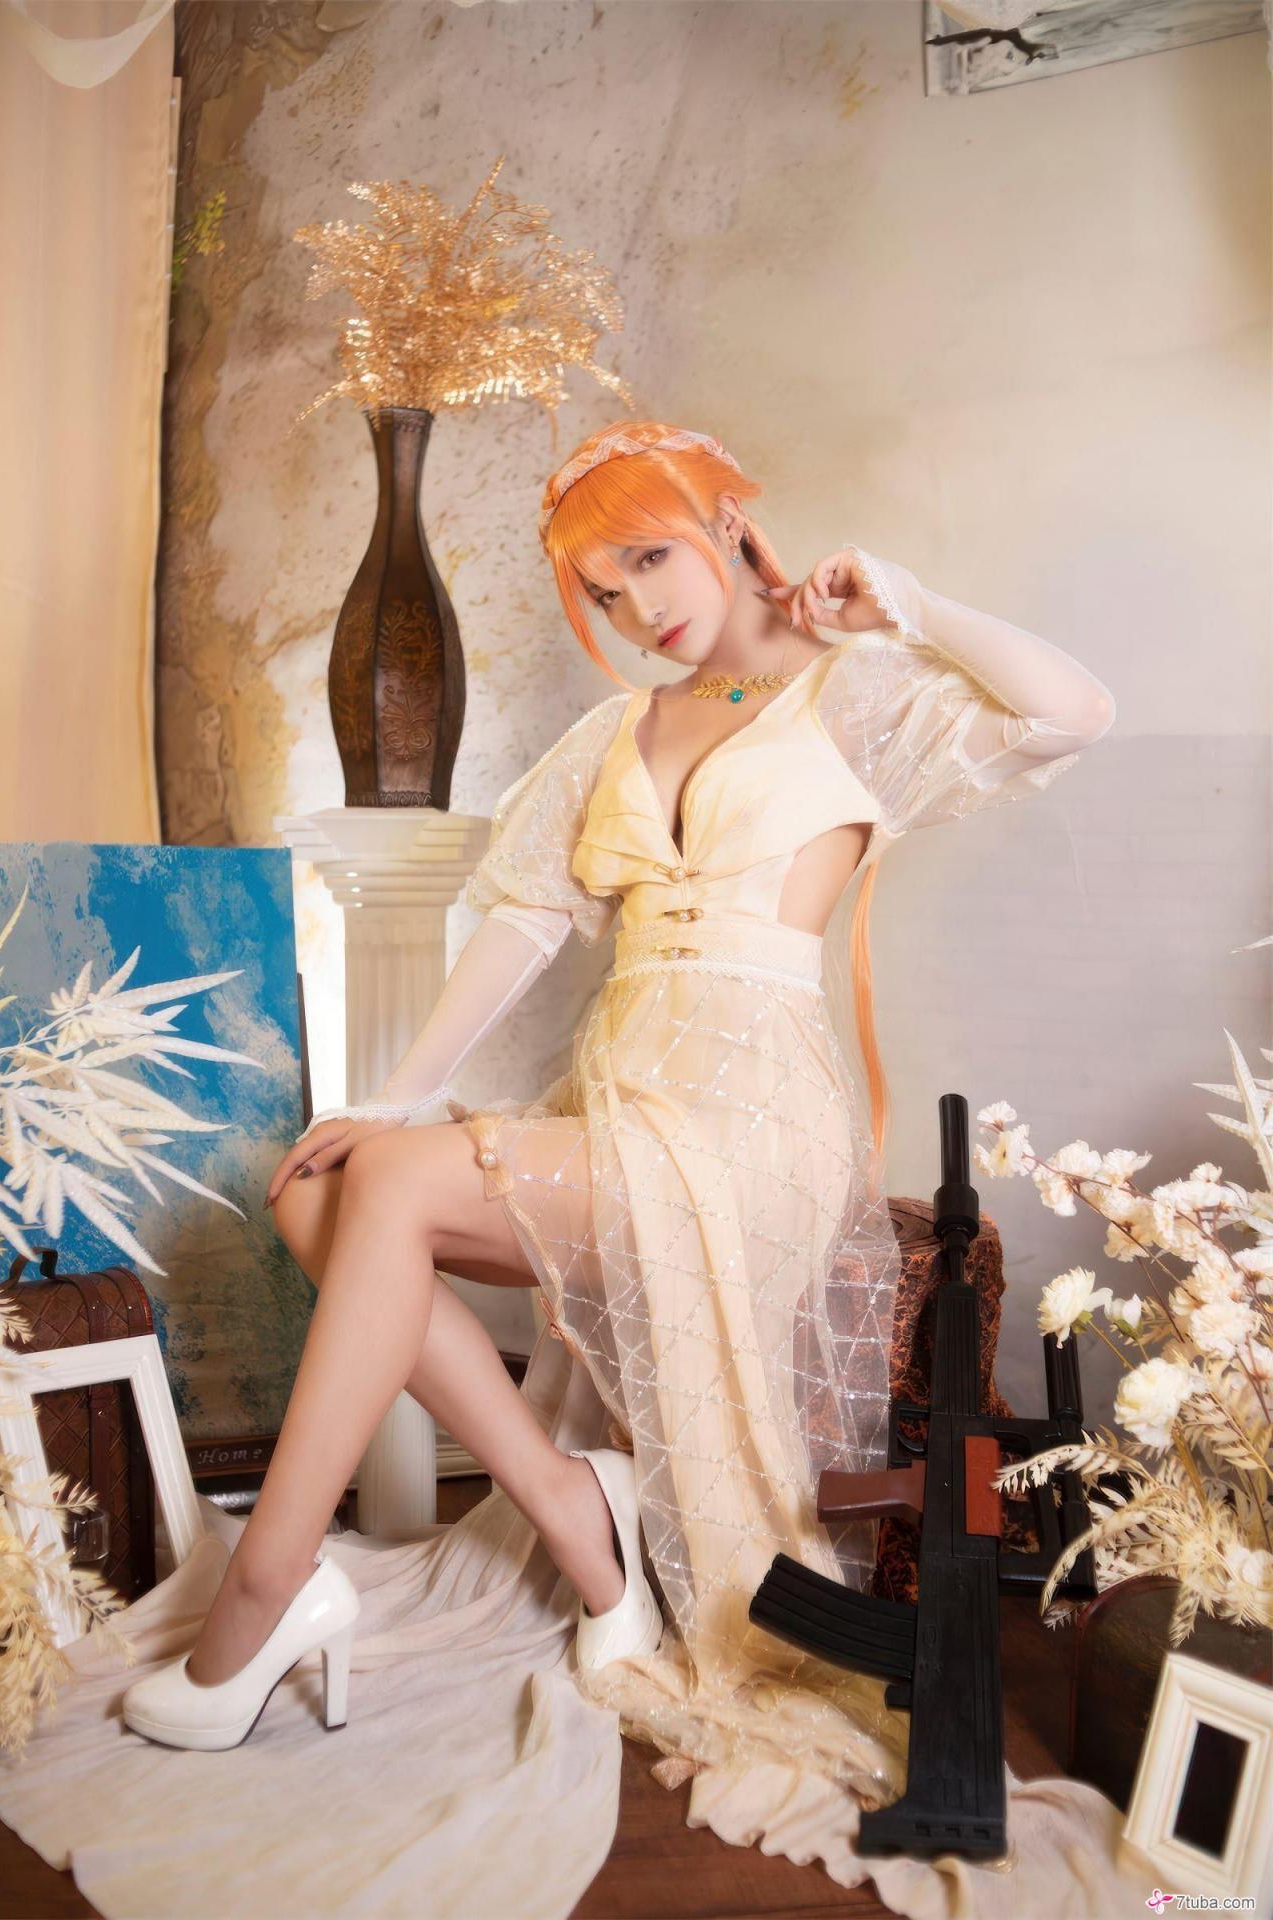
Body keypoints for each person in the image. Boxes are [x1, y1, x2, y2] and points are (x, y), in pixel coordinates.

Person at [120, 420, 1114, 1821]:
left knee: (386, 1192)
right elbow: (527, 923)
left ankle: (267, 1590)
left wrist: (906, 600)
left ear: (728, 520)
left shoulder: (855, 693)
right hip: (624, 1092)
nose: (638, 607)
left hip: (751, 1119)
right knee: (317, 1190)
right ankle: (582, 1525)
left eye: (651, 557)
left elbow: (1073, 712)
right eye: (604, 589)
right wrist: (399, 1096)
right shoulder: (616, 732)